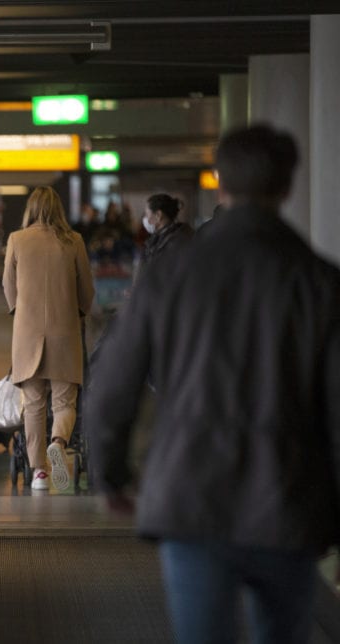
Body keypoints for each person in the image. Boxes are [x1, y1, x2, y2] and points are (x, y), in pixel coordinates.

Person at [86, 124, 340, 644]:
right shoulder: (320, 281)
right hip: (288, 501)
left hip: (190, 497)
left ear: (220, 183)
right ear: (288, 187)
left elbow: (113, 382)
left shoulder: (170, 274)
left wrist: (110, 474)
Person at [2, 186, 94, 492]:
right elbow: (86, 289)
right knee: (65, 401)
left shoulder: (17, 239)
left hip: (27, 335)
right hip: (65, 331)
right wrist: (79, 312)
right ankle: (58, 442)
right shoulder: (74, 241)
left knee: (34, 404)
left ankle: (39, 472)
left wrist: (20, 311)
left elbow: (8, 285)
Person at [139, 193, 193, 271]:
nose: (145, 219)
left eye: (147, 214)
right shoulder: (161, 238)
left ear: (158, 215)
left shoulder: (176, 242)